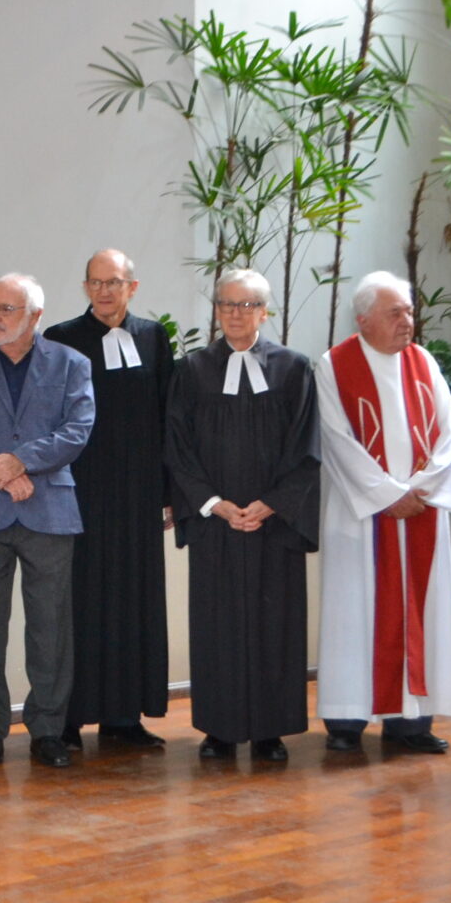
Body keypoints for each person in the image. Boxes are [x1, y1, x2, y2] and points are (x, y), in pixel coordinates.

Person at [165, 268, 320, 764]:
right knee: (218, 626)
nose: (236, 313)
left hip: (274, 523)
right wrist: (214, 504)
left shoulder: (293, 369)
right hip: (217, 524)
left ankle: (271, 731)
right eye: (227, 304)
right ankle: (220, 729)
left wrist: (271, 502)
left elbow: (307, 446)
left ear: (264, 312)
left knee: (276, 624)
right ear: (216, 311)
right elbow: (177, 447)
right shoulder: (192, 371)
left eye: (247, 304)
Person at [0, 273, 96, 769]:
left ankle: (47, 730)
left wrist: (22, 462)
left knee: (50, 628)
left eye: (6, 309)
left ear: (35, 316)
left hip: (49, 509)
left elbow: (77, 430)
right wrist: (1, 473)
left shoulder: (71, 364)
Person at [315, 271, 451, 756]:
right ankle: (347, 718)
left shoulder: (423, 361)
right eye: (395, 312)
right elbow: (336, 440)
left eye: (409, 311)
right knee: (354, 615)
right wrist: (385, 495)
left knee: (422, 613)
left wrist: (421, 489)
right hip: (362, 519)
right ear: (363, 320)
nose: (407, 321)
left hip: (419, 512)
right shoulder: (334, 366)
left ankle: (411, 722)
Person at [42, 248, 175, 747]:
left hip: (139, 496)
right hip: (82, 492)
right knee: (79, 602)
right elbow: (50, 419)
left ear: (131, 288)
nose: (103, 291)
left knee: (133, 601)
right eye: (95, 282)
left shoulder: (153, 337)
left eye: (113, 282)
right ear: (85, 287)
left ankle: (123, 717)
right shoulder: (61, 338)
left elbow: (167, 418)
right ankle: (70, 717)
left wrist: (167, 493)